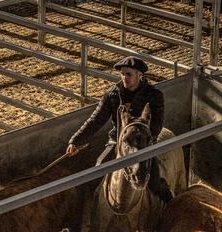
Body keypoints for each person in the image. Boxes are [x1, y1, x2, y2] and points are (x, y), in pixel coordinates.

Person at [66, 55, 174, 203]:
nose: (124, 77)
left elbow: (157, 123)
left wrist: (143, 136)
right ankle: (89, 208)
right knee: (97, 170)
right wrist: (76, 140)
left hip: (142, 143)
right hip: (117, 141)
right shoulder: (112, 94)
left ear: (139, 75)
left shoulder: (154, 95)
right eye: (122, 74)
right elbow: (96, 120)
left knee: (154, 182)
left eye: (128, 74)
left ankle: (170, 203)